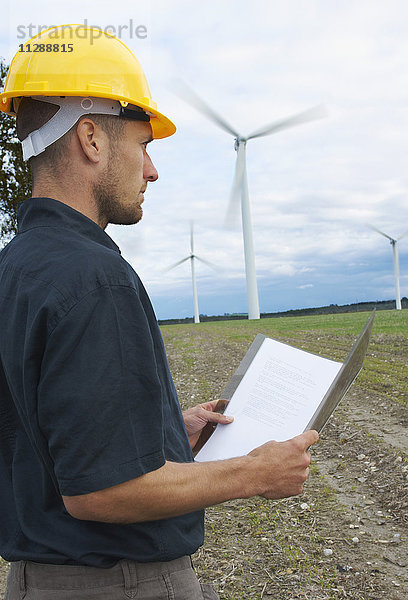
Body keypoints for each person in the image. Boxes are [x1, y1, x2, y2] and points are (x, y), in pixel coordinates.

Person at [0, 25, 319, 600]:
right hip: (116, 583)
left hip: (36, 580)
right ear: (92, 139)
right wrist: (254, 472)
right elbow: (100, 491)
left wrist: (168, 432)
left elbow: (44, 435)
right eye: (144, 145)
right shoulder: (94, 278)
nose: (152, 171)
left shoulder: (15, 268)